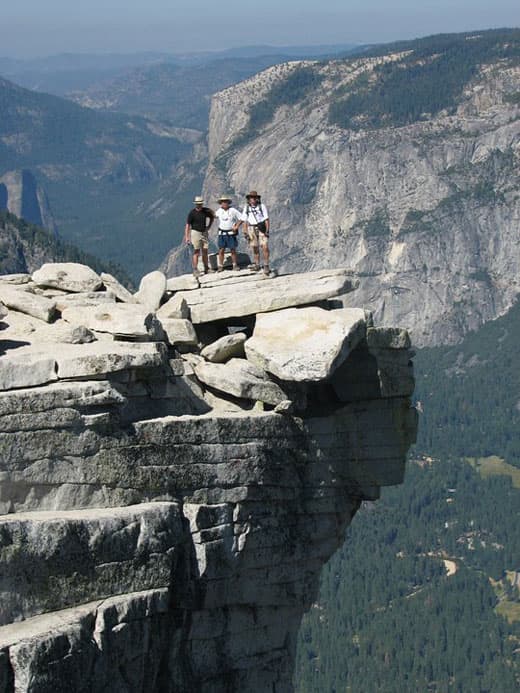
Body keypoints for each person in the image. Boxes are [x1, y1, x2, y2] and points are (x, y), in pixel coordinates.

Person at [240, 190, 270, 275]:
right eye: (251, 198)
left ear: (257, 198)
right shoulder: (247, 208)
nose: (252, 199)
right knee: (255, 247)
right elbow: (244, 219)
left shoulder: (262, 206)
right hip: (251, 228)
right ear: (249, 199)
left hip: (261, 227)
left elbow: (266, 219)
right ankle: (257, 264)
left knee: (265, 247)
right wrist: (245, 232)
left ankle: (266, 265)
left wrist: (267, 231)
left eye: (254, 197)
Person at [184, 195, 215, 277]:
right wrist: (187, 237)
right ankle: (195, 269)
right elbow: (187, 225)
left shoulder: (206, 211)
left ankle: (206, 268)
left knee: (205, 250)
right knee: (196, 251)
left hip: (204, 232)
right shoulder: (192, 213)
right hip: (195, 232)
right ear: (195, 204)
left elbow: (212, 217)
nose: (199, 205)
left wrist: (209, 226)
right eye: (198, 204)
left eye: (200, 203)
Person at [215, 195, 242, 272]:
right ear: (221, 203)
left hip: (231, 233)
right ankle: (220, 266)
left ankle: (235, 265)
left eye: (225, 202)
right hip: (222, 233)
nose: (224, 203)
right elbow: (214, 216)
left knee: (233, 249)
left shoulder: (233, 210)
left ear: (228, 202)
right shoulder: (219, 211)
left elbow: (241, 218)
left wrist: (236, 226)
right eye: (222, 202)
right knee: (221, 249)